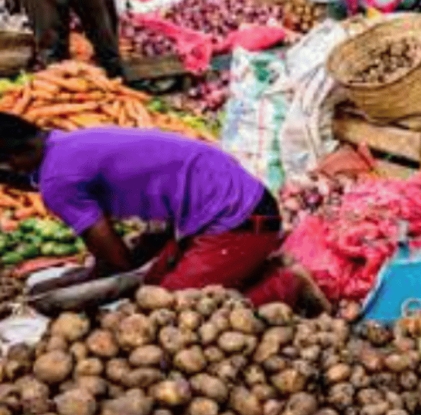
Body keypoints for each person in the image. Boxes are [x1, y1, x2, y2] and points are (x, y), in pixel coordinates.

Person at [0, 116, 327, 312]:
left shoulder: (57, 181)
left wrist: (73, 289)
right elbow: (136, 251)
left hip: (241, 222)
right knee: (153, 283)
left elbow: (116, 260)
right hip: (237, 206)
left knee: (171, 309)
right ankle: (260, 267)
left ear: (13, 158)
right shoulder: (63, 143)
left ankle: (285, 285)